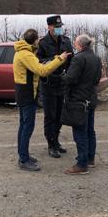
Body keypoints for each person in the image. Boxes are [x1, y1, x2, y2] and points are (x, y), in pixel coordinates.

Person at [13, 29, 70, 171]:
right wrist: (60, 59)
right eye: (37, 39)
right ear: (34, 40)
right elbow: (42, 71)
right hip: (27, 94)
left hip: (24, 93)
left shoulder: (23, 52)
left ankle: (24, 155)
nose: (39, 41)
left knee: (24, 125)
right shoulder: (26, 54)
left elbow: (38, 66)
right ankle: (23, 159)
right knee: (27, 127)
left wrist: (55, 59)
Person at [62, 33, 102, 175]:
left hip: (78, 100)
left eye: (75, 43)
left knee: (80, 132)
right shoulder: (96, 58)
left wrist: (62, 76)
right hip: (90, 98)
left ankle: (82, 164)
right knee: (90, 130)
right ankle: (90, 159)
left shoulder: (78, 58)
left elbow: (70, 79)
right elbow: (97, 79)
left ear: (79, 45)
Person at [36, 15, 74, 158]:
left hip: (62, 83)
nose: (58, 29)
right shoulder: (43, 43)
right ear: (49, 27)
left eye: (60, 26)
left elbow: (71, 61)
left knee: (59, 115)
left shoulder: (66, 41)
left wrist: (69, 76)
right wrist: (56, 59)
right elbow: (38, 61)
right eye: (56, 26)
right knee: (50, 116)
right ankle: (51, 144)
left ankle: (56, 141)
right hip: (49, 84)